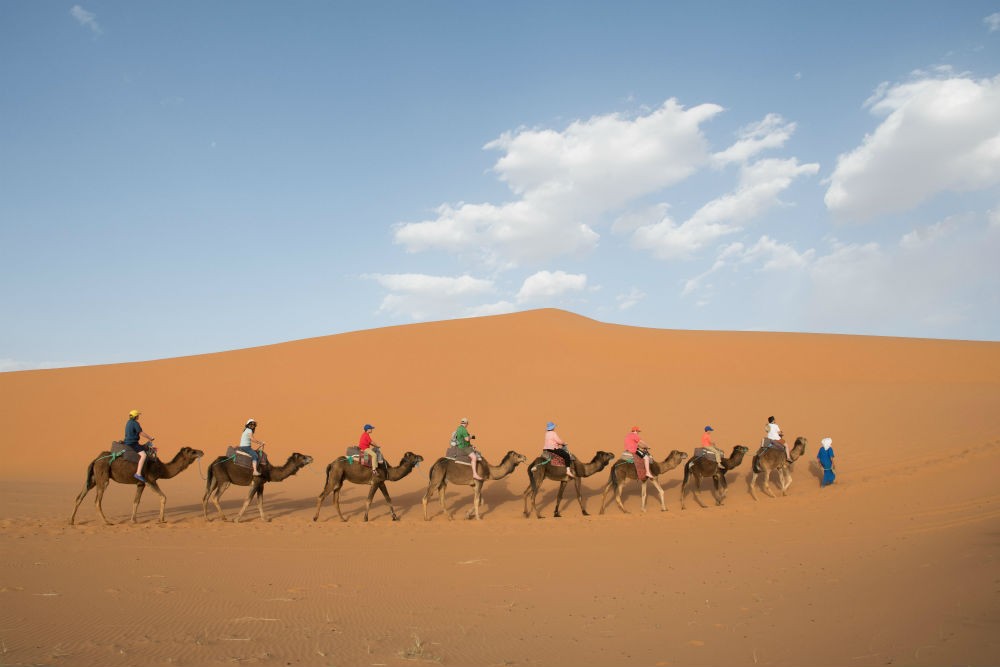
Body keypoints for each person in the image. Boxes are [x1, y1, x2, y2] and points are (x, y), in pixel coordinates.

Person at [124, 409, 155, 483]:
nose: (138, 416)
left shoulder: (128, 422)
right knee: (143, 455)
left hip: (128, 442)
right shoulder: (135, 423)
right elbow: (141, 433)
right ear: (135, 416)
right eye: (137, 415)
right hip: (132, 443)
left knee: (144, 447)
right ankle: (138, 473)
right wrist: (150, 438)